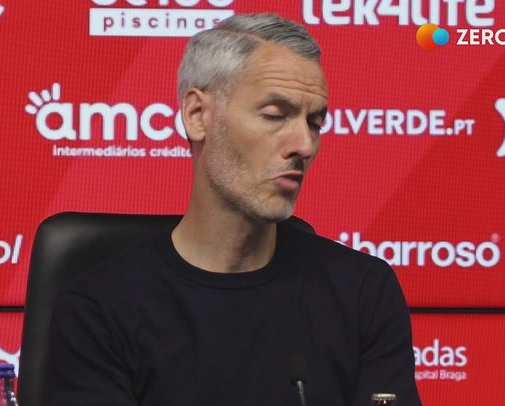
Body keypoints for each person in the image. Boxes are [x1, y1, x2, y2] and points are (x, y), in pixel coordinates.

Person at [45, 13, 421, 405]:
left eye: (314, 123)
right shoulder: (99, 309)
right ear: (198, 116)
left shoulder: (363, 292)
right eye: (275, 115)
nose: (304, 145)